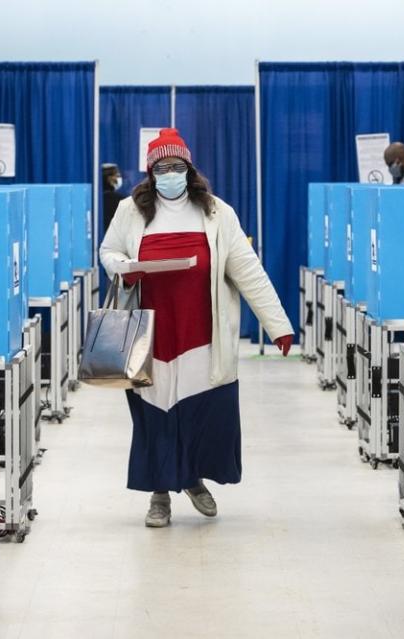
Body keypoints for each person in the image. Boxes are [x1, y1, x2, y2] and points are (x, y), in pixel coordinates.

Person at [100, 128, 294, 528]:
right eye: (161, 167)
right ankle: (159, 495)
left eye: (176, 166)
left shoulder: (217, 213)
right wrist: (125, 268)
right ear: (150, 172)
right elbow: (109, 250)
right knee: (153, 415)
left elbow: (248, 271)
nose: (169, 173)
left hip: (202, 333)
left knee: (198, 414)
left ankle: (192, 478)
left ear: (188, 169)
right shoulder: (130, 211)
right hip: (149, 335)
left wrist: (278, 326)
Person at [102, 162, 124, 231]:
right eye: (117, 175)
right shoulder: (120, 200)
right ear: (109, 179)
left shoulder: (97, 198)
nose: (119, 178)